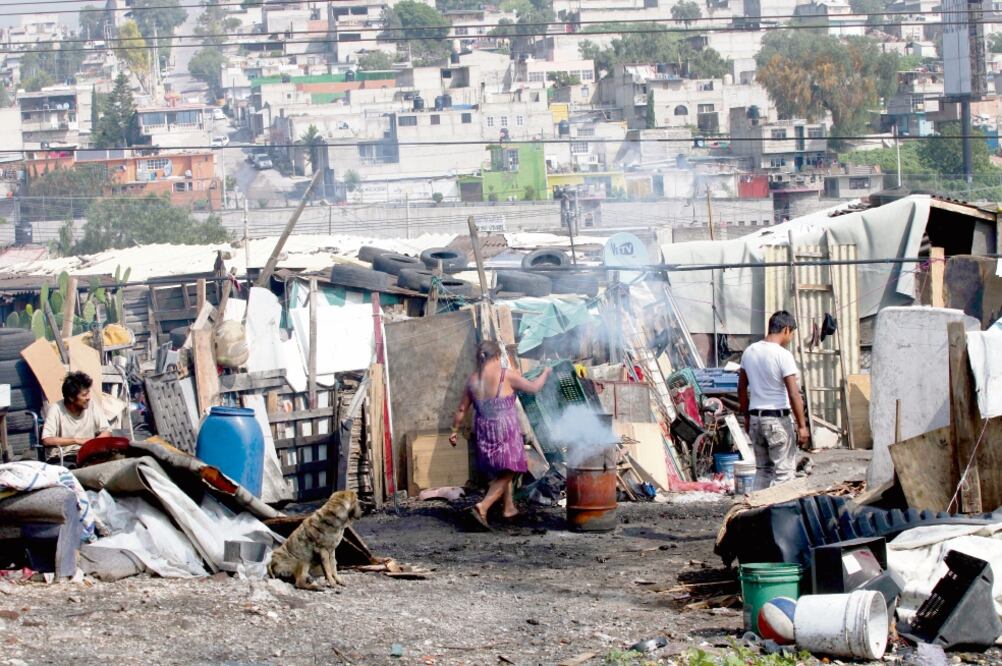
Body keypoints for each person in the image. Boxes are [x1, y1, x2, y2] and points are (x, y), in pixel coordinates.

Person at [449, 341, 551, 529]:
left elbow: (462, 408)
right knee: (512, 467)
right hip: (505, 430)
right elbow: (534, 387)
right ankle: (483, 506)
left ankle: (509, 508)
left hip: (484, 430)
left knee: (502, 468)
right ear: (497, 356)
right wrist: (545, 373)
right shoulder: (506, 376)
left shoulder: (473, 379)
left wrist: (454, 432)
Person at [738, 311, 809, 490]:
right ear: (786, 329)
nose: (791, 337)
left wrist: (747, 418)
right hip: (777, 420)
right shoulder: (783, 355)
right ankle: (779, 515)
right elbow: (794, 394)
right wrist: (802, 426)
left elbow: (741, 389)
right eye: (791, 333)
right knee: (784, 474)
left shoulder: (749, 351)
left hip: (755, 419)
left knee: (763, 471)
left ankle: (754, 513)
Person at [41, 371, 112, 453]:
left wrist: (93, 443)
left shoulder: (92, 405)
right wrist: (76, 440)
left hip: (88, 454)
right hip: (64, 457)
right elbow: (46, 440)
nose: (88, 398)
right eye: (84, 395)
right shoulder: (56, 409)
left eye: (88, 393)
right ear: (71, 398)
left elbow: (107, 431)